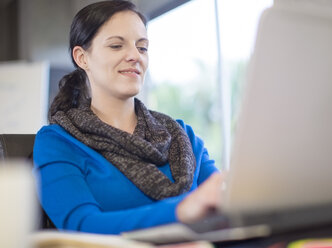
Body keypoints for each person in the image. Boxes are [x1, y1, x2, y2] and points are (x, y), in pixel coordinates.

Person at [33, 0, 222, 235]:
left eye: (142, 47)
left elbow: (223, 204)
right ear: (82, 58)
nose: (135, 56)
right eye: (116, 46)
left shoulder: (183, 136)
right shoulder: (57, 142)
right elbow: (81, 226)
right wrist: (180, 211)